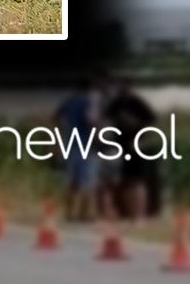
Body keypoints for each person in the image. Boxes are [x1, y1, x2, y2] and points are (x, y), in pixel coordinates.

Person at [103, 77, 158, 222]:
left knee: (138, 181)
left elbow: (151, 120)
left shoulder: (136, 102)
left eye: (124, 86)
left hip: (135, 144)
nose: (121, 89)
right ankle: (128, 213)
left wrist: (141, 135)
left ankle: (140, 214)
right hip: (120, 145)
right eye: (120, 86)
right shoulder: (116, 103)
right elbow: (105, 118)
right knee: (125, 180)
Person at [54, 75, 102, 222]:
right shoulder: (89, 102)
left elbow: (56, 116)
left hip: (70, 143)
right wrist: (97, 139)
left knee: (71, 181)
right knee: (87, 181)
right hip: (85, 145)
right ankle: (83, 214)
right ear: (90, 88)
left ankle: (68, 213)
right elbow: (91, 121)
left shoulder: (69, 101)